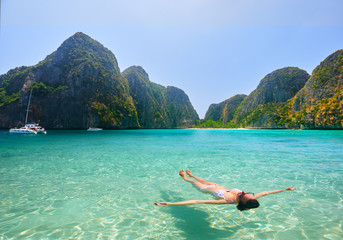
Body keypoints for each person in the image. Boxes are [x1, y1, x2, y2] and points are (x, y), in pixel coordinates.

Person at [154, 170, 295, 211]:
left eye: (242, 195)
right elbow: (265, 193)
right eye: (246, 193)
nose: (244, 192)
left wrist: (170, 204)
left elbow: (198, 201)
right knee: (202, 179)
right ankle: (193, 175)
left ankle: (186, 177)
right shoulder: (250, 197)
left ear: (239, 202)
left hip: (206, 190)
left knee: (193, 182)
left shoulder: (228, 201)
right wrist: (284, 189)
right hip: (219, 186)